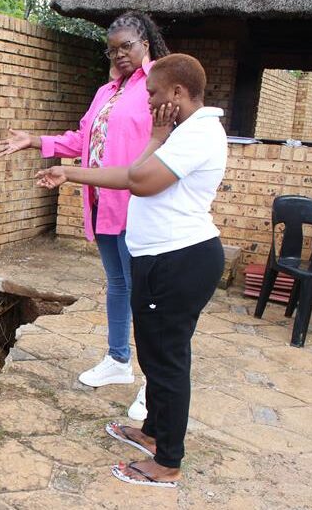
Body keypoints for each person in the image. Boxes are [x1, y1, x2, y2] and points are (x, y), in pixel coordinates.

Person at [35, 53, 227, 487]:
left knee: (167, 361)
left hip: (179, 259)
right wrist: (155, 137)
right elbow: (139, 170)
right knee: (154, 352)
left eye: (154, 94)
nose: (149, 101)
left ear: (177, 93)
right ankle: (155, 432)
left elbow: (139, 181)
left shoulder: (200, 133)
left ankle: (168, 461)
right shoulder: (181, 132)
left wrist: (75, 172)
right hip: (163, 258)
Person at [0, 11, 170, 420]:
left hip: (138, 204)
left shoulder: (158, 86)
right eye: (113, 49)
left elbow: (168, 142)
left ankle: (156, 381)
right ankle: (117, 360)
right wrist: (36, 140)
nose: (120, 54)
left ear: (145, 42)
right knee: (117, 285)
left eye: (126, 45)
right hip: (102, 201)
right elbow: (82, 138)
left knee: (146, 296)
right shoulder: (107, 91)